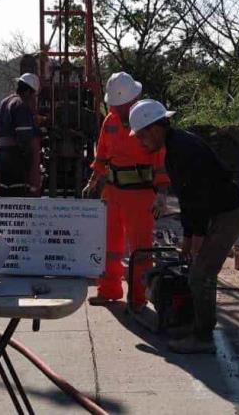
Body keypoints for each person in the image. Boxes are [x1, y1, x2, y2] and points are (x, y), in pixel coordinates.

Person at [128, 99, 239, 354]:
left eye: (141, 137)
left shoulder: (183, 150)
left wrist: (198, 236)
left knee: (200, 275)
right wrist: (188, 237)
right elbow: (188, 199)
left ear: (154, 129)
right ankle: (196, 325)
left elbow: (199, 197)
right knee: (199, 272)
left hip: (226, 215)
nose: (140, 142)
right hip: (217, 213)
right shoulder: (175, 147)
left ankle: (202, 337)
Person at [83, 72, 170, 310]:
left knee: (140, 249)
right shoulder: (109, 121)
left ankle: (138, 298)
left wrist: (162, 194)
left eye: (121, 106)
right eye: (115, 106)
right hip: (112, 192)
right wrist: (93, 180)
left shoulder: (147, 121)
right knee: (108, 246)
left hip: (141, 196)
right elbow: (101, 155)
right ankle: (109, 290)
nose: (118, 110)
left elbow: (160, 162)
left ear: (133, 100)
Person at [0, 73, 40, 229]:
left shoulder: (6, 101)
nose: (34, 99)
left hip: (0, 151)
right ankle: (12, 226)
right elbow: (24, 138)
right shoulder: (21, 105)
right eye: (34, 95)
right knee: (15, 189)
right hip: (12, 155)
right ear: (28, 92)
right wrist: (29, 162)